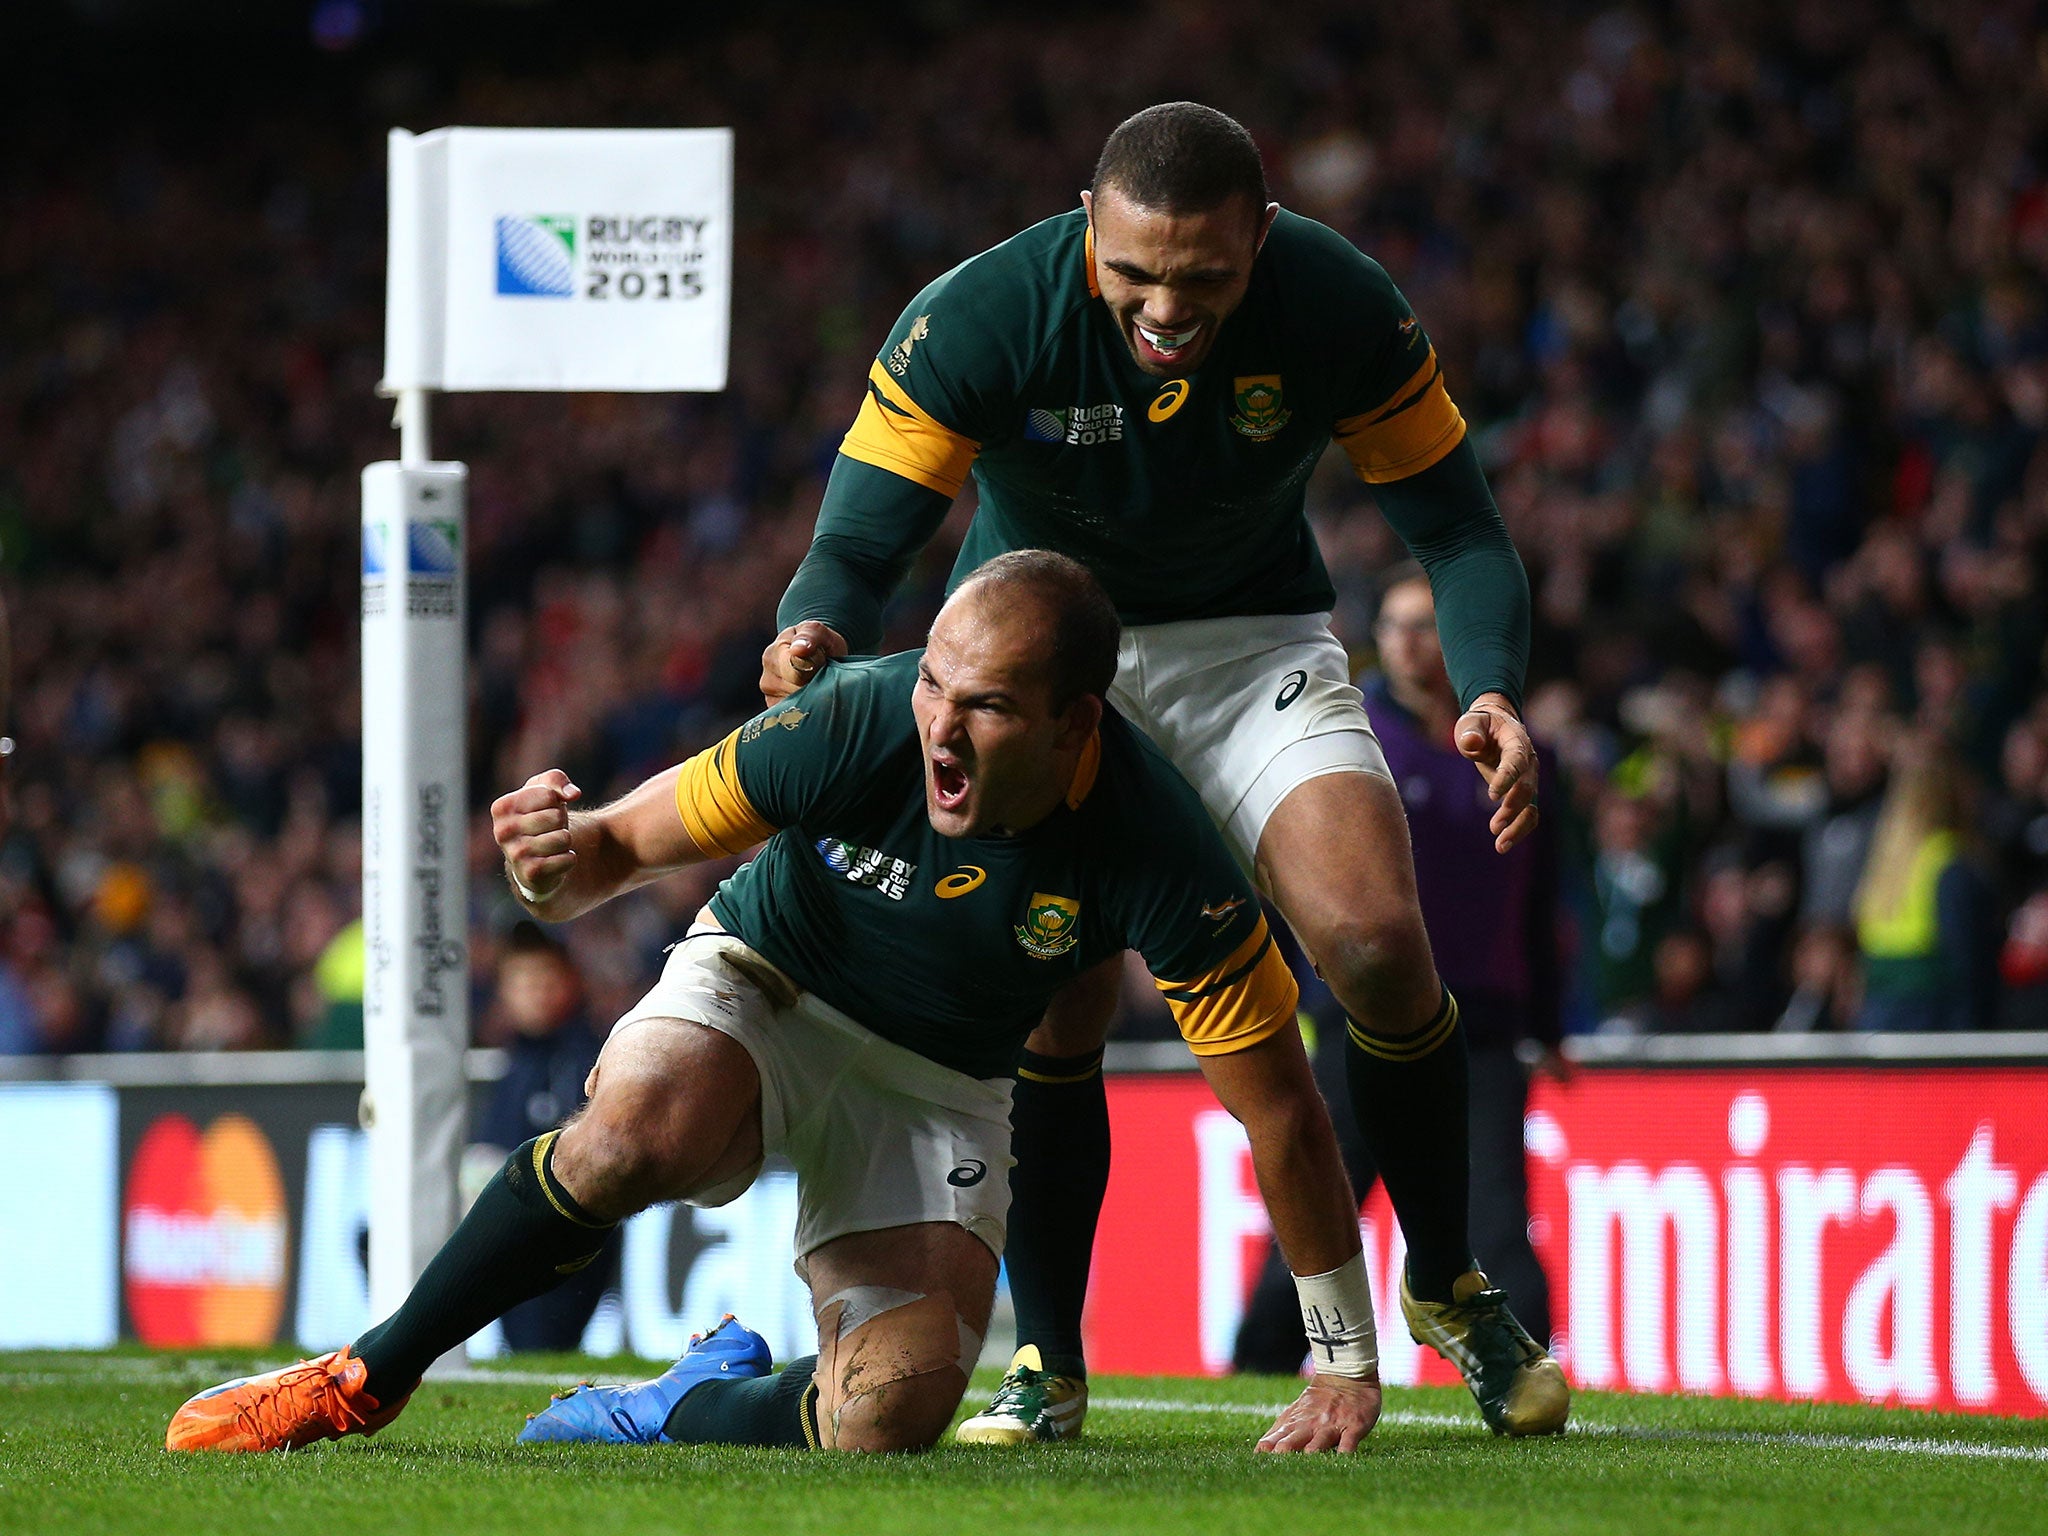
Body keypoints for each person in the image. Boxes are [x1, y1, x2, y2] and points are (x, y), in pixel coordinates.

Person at [165, 551, 1381, 1456]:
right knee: (642, 1131)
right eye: (936, 686)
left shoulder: (1158, 847)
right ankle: (362, 1378)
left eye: (987, 708)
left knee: (884, 1421)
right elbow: (610, 851)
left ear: (1076, 725)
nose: (940, 728)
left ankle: (679, 1400)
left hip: (941, 1082)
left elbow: (1281, 1114)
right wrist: (551, 861)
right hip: (767, 983)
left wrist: (1342, 1363)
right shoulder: (857, 715)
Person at [760, 102, 1564, 1438]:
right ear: (1089, 217)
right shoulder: (982, 314)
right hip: (1048, 676)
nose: (1166, 309)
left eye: (1204, 279)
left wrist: (1486, 690)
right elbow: (858, 542)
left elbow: (1463, 531)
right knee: (1054, 1016)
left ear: (1263, 235)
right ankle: (1053, 1364)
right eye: (1132, 276)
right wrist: (816, 629)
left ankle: (1453, 1282)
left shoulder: (1338, 301)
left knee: (1374, 944)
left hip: (1255, 654)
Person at [1234, 569, 1562, 1371]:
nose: (1412, 643)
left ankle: (1518, 1374)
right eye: (1398, 626)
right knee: (1321, 1219)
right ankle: (1259, 1365)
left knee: (1495, 1227)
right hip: (1361, 1027)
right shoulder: (1348, 740)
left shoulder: (1512, 752)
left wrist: (1546, 1024)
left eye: (1429, 627)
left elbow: (1542, 898)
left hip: (1482, 1028)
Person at [475, 922, 615, 1352]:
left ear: (570, 980)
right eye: (523, 980)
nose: (536, 991)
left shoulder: (586, 1059)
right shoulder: (518, 1060)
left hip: (563, 1238)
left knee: (540, 1347)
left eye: (545, 978)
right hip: (515, 1234)